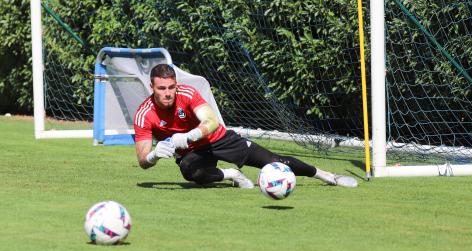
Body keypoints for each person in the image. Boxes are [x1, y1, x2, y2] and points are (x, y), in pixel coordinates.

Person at [134, 64, 358, 189]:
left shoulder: (188, 94)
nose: (167, 93)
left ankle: (327, 176)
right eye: (162, 88)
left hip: (219, 139)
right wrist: (154, 155)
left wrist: (190, 135)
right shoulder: (144, 114)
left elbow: (211, 122)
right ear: (151, 86)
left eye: (171, 87)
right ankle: (231, 174)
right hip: (193, 154)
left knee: (275, 163)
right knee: (190, 172)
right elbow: (143, 161)